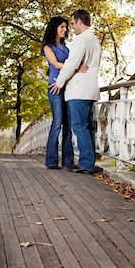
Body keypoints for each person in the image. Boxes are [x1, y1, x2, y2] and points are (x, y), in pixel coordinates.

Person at [49, 10, 101, 175]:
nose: (72, 27)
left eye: (72, 23)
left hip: (79, 90)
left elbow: (71, 64)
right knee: (88, 127)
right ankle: (90, 162)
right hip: (91, 89)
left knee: (79, 126)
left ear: (79, 22)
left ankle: (86, 164)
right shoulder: (95, 40)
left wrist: (59, 82)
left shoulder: (81, 40)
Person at [41, 16, 88, 170]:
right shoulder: (48, 47)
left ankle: (68, 161)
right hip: (55, 88)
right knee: (57, 123)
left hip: (68, 89)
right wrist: (75, 68)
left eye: (66, 27)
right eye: (62, 26)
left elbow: (73, 63)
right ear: (54, 28)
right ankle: (51, 161)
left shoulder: (67, 48)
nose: (65, 29)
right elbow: (55, 64)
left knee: (68, 125)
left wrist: (77, 67)